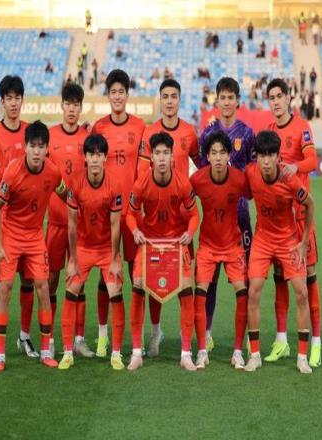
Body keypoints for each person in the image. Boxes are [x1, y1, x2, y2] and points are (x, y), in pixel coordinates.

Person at [0, 121, 65, 373]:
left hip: (34, 237)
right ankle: (0, 356)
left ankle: (45, 352)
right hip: (11, 234)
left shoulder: (53, 173)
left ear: (47, 149)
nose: (36, 151)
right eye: (32, 146)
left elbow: (65, 192)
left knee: (43, 287)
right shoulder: (13, 171)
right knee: (5, 288)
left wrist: (80, 199)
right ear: (25, 147)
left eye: (41, 146)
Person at [126, 131, 200, 371]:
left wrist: (190, 233)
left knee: (186, 289)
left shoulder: (182, 183)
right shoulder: (141, 183)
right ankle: (137, 352)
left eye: (165, 153)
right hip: (150, 244)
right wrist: (135, 230)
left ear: (171, 157)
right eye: (157, 153)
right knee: (139, 286)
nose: (161, 158)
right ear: (151, 157)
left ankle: (186, 353)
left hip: (176, 244)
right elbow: (130, 214)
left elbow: (194, 214)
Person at [244, 130, 314, 374]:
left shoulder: (289, 179)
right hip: (262, 240)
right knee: (253, 292)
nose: (265, 161)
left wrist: (304, 242)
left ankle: (302, 357)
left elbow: (310, 204)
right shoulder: (250, 173)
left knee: (302, 293)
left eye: (270, 155)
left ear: (277, 156)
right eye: (261, 155)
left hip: (287, 240)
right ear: (257, 156)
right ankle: (254, 355)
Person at [137, 79, 199, 356]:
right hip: (155, 221)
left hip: (182, 220)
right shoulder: (150, 132)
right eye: (165, 96)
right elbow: (142, 173)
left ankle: (190, 342)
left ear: (180, 99)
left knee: (185, 283)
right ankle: (155, 333)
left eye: (174, 96)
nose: (170, 101)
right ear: (160, 100)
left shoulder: (189, 132)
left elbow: (201, 165)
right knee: (154, 281)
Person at [266, 78, 321, 368]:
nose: (276, 101)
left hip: (300, 216)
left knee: (308, 278)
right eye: (271, 97)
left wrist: (294, 166)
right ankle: (281, 340)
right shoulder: (270, 130)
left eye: (279, 96)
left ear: (288, 98)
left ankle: (316, 343)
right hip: (279, 219)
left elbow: (313, 161)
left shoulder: (301, 127)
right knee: (280, 277)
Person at [0, 75, 35, 363]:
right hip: (1, 219)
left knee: (28, 280)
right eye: (9, 98)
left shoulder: (29, 132)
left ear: (22, 100)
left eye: (17, 98)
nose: (14, 103)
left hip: (27, 219)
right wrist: (15, 172)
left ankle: (24, 336)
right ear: (2, 101)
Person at [198, 77, 256, 353]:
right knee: (209, 281)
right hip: (213, 218)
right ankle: (207, 333)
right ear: (217, 100)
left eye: (231, 97)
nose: (227, 102)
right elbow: (201, 172)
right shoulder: (208, 134)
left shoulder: (247, 133)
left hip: (240, 218)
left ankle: (248, 336)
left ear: (237, 101)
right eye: (223, 97)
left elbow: (253, 173)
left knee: (245, 282)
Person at [59, 134, 125, 371]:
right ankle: (68, 352)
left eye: (99, 154)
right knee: (71, 290)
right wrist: (72, 260)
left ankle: (116, 353)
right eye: (91, 154)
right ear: (85, 157)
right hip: (83, 248)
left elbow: (116, 224)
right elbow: (71, 225)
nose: (95, 159)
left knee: (115, 291)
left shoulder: (114, 184)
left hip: (107, 248)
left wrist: (115, 259)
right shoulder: (75, 183)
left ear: (105, 157)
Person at [91, 69, 145, 357]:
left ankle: (136, 338)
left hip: (133, 214)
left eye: (121, 91)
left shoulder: (140, 126)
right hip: (106, 214)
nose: (117, 96)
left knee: (138, 277)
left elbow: (144, 170)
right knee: (105, 276)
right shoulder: (98, 127)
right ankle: (102, 336)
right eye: (113, 92)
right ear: (108, 95)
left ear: (127, 94)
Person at [190, 131, 249, 370]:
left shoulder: (239, 179)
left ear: (228, 156)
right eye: (213, 153)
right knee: (200, 294)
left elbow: (256, 194)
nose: (217, 158)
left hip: (233, 245)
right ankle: (202, 351)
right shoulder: (197, 180)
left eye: (222, 153)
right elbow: (182, 201)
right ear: (207, 156)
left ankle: (238, 352)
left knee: (242, 294)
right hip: (207, 246)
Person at [46, 81, 90, 357]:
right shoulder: (49, 137)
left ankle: (79, 339)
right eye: (68, 104)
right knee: (50, 280)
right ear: (61, 106)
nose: (72, 109)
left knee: (78, 281)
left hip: (80, 223)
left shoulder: (87, 138)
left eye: (76, 105)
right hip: (55, 221)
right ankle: (49, 337)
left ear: (81, 107)